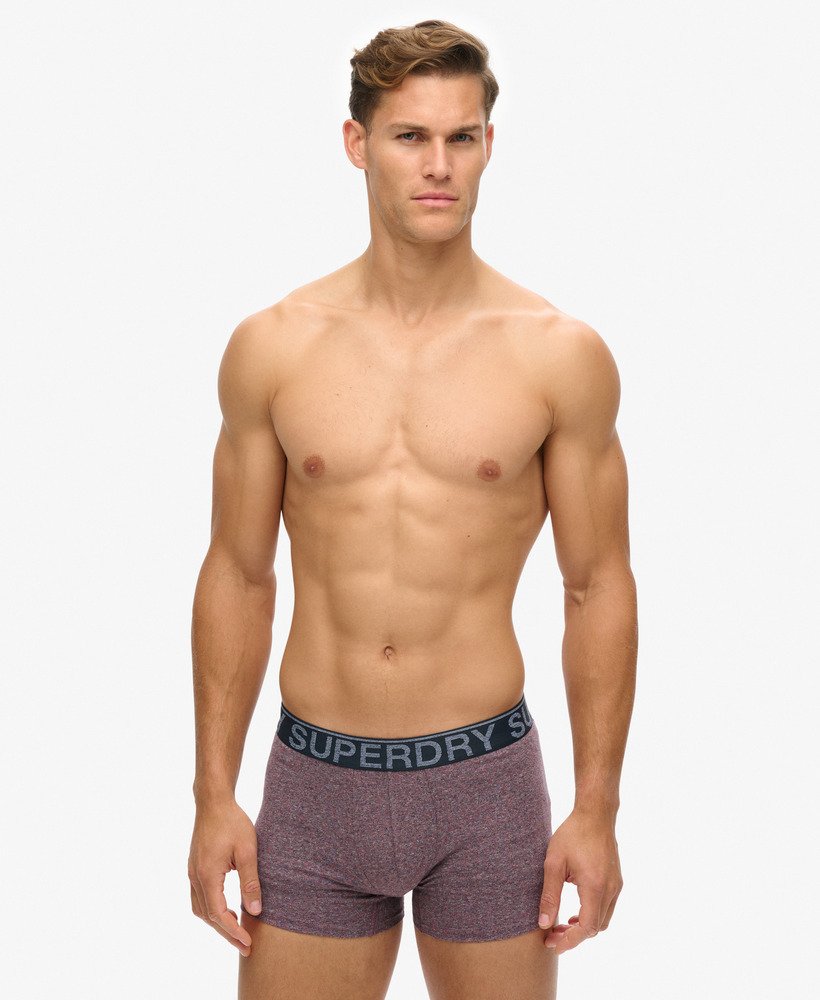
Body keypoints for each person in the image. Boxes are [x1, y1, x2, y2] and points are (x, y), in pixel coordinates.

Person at [188, 18, 637, 1000]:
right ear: (358, 144)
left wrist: (597, 807)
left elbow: (597, 585)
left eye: (461, 137)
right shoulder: (274, 347)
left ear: (488, 145)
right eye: (410, 137)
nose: (439, 165)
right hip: (316, 785)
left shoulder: (557, 354)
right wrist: (212, 793)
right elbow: (239, 573)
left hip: (485, 784)